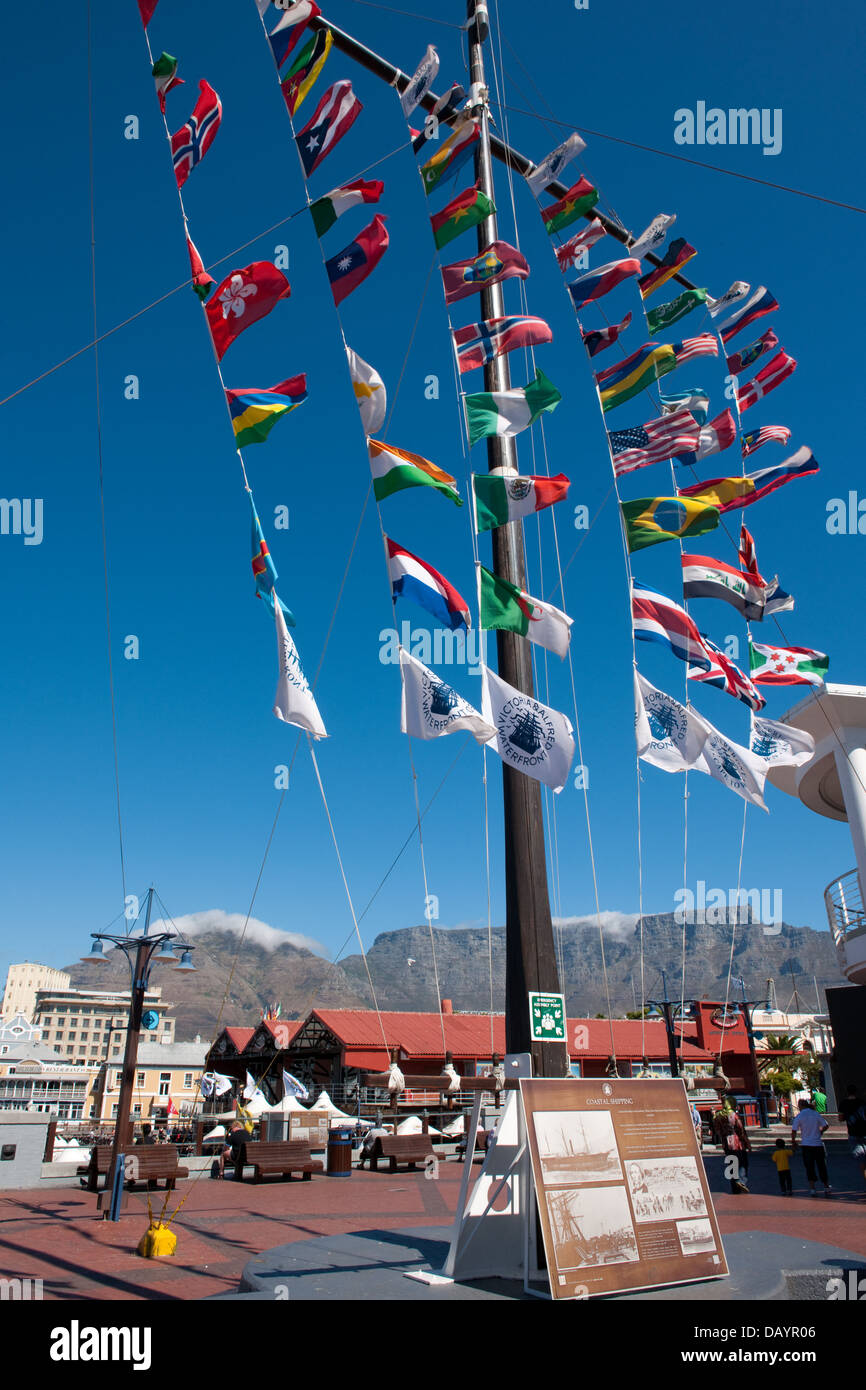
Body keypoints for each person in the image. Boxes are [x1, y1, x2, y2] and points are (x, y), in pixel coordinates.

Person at [791, 1098, 831, 1196]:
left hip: (806, 1144)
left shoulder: (799, 1116)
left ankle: (812, 1188)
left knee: (809, 1167)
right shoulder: (815, 1113)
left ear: (800, 1106)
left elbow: (794, 1130)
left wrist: (793, 1142)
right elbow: (826, 1125)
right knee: (822, 1166)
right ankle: (826, 1186)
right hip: (818, 1144)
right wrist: (820, 1131)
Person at [716, 1102, 751, 1193]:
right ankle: (741, 1181)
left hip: (726, 1143)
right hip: (737, 1142)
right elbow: (740, 1129)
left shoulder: (719, 1116)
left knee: (732, 1165)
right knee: (742, 1163)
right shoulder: (733, 1115)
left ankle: (734, 1188)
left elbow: (718, 1130)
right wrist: (747, 1142)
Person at [838, 1084, 866, 1183]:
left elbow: (840, 1119)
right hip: (864, 1132)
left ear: (847, 1092)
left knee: (861, 1159)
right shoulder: (862, 1102)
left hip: (853, 1133)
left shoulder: (843, 1103)